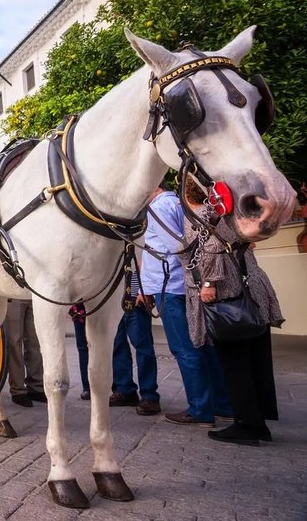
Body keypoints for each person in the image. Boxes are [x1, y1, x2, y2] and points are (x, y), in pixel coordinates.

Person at [183, 179, 284, 445]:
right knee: (255, 359)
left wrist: (208, 282)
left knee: (234, 362)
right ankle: (258, 421)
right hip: (251, 287)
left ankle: (247, 425)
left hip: (228, 294)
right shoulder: (230, 213)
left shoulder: (202, 214)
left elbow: (208, 249)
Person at [143, 180, 232, 427]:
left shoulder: (159, 208)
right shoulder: (175, 203)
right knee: (202, 344)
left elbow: (177, 245)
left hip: (170, 285)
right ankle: (222, 404)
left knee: (184, 347)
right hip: (180, 284)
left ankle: (200, 408)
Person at [110, 271, 161, 415]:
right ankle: (124, 390)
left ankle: (149, 396)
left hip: (135, 296)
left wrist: (144, 291)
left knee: (143, 347)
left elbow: (145, 263)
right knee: (117, 345)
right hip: (113, 298)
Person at [5, 298, 47, 407]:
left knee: (35, 341)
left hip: (33, 293)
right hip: (13, 292)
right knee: (14, 342)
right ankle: (18, 390)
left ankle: (36, 387)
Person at [69, 302, 90, 400]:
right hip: (79, 306)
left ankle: (106, 383)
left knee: (102, 345)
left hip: (99, 301)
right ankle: (87, 386)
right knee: (82, 347)